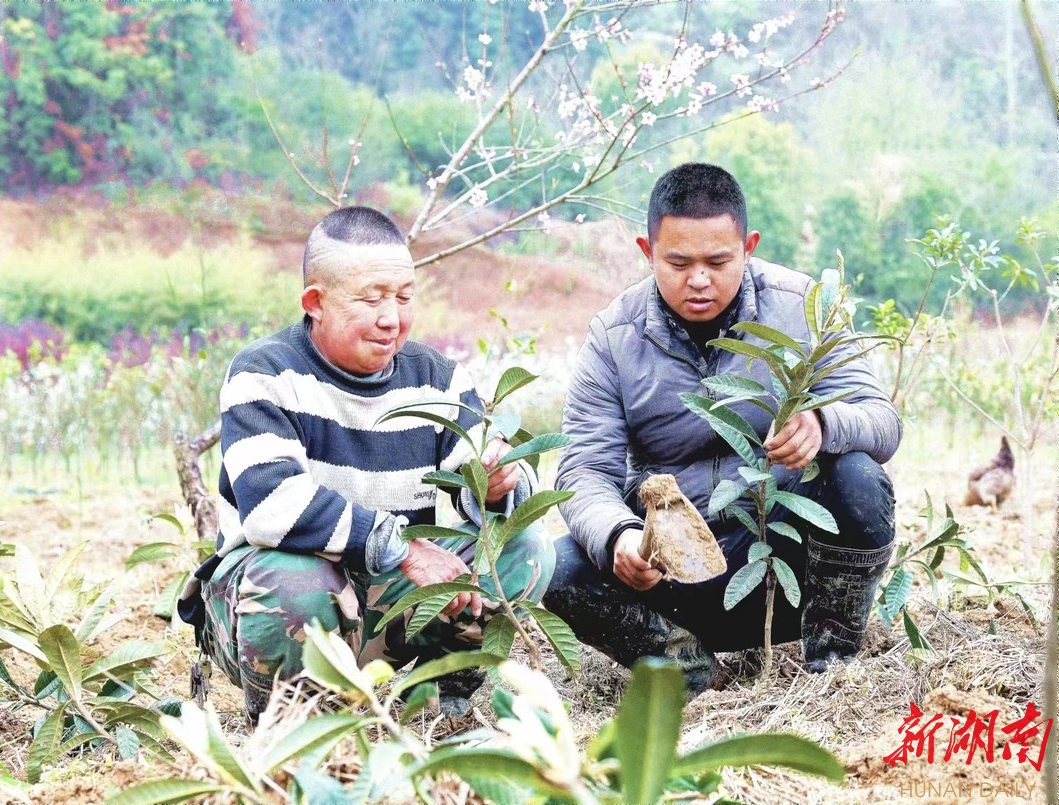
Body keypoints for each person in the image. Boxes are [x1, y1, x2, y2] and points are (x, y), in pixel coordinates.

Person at [178, 206, 553, 719]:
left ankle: (441, 698)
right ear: (316, 302)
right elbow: (272, 506)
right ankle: (294, 720)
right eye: (371, 298)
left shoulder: (437, 379)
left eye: (403, 297)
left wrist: (496, 480)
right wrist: (401, 548)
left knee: (525, 548)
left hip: (385, 603)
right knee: (295, 581)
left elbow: (492, 474)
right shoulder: (263, 373)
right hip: (274, 603)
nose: (391, 317)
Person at [543, 163, 900, 694]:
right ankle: (680, 665)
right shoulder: (614, 337)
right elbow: (582, 470)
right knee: (558, 563)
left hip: (784, 568)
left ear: (749, 245)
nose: (700, 279)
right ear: (647, 251)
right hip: (670, 577)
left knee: (857, 475)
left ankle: (832, 662)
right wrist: (619, 536)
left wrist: (825, 423)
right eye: (679, 262)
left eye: (718, 260)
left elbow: (882, 420)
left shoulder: (802, 309)